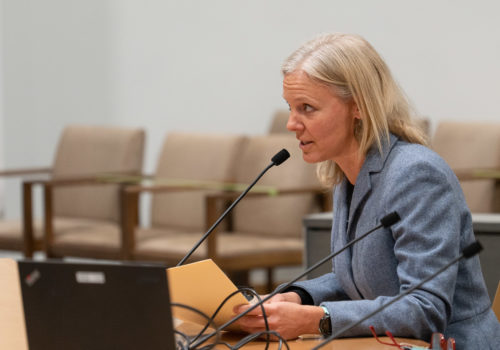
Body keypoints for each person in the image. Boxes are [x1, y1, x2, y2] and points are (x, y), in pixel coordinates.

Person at [233, 33, 500, 348]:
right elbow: (362, 280)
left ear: (357, 106)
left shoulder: (417, 175)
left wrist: (315, 318)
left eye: (307, 108)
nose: (292, 123)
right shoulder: (347, 172)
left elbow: (426, 307)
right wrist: (297, 296)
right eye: (291, 108)